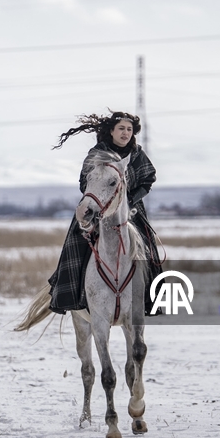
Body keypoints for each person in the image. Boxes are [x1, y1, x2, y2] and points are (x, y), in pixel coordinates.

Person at [47, 111, 163, 314]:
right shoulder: (97, 153)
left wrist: (128, 200)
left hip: (130, 209)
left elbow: (148, 180)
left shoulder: (137, 154)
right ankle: (70, 295)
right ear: (111, 131)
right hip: (98, 208)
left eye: (129, 129)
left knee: (149, 248)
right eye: (121, 128)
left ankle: (150, 301)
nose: (125, 133)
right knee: (75, 244)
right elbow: (85, 182)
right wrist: (98, 204)